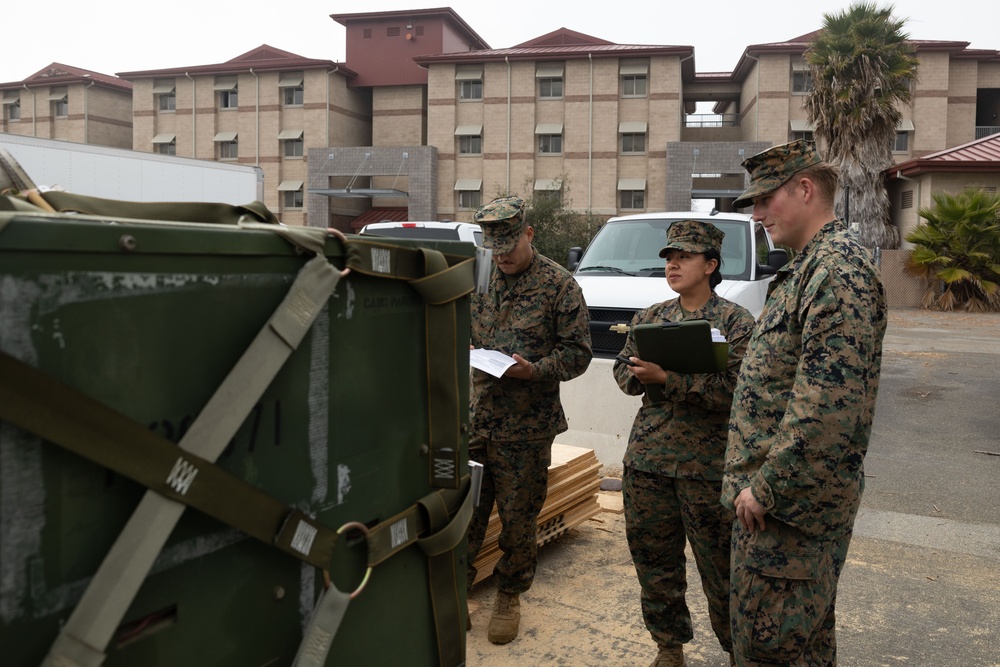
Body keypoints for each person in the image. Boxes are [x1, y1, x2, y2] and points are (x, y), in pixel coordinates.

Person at [722, 139, 888, 666]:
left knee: (767, 652)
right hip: (781, 511)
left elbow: (827, 406)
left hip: (788, 514)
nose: (757, 213)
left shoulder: (835, 270)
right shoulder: (807, 266)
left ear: (805, 188)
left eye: (766, 198)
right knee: (806, 650)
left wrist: (765, 489)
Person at [614, 219, 755, 667]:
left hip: (708, 469)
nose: (673, 264)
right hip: (648, 463)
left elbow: (741, 391)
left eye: (685, 257)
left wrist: (669, 379)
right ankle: (668, 648)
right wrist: (639, 374)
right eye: (669, 257)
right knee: (655, 566)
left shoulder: (736, 322)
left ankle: (739, 651)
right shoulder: (651, 317)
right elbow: (622, 374)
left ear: (711, 264)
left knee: (723, 572)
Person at [466, 195, 592, 644]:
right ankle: (454, 593)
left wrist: (533, 370)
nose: (501, 256)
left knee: (518, 521)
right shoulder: (478, 277)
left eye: (509, 247)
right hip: (474, 420)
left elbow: (578, 354)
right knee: (464, 514)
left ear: (529, 234)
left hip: (526, 428)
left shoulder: (559, 285)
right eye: (493, 248)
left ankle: (508, 595)